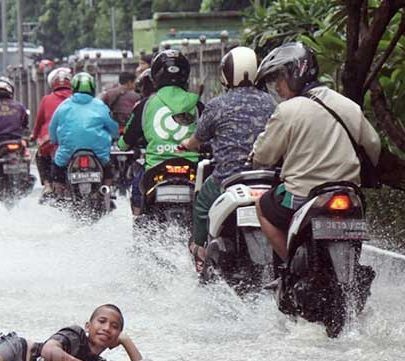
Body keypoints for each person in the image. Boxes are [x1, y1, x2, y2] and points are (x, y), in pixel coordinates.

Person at [252, 42, 381, 261]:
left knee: (262, 206)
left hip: (302, 195)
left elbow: (264, 156)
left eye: (279, 79)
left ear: (294, 74)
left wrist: (255, 157)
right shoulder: (348, 105)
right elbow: (373, 146)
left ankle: (290, 266)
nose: (278, 88)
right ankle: (353, 268)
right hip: (349, 194)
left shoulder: (287, 110)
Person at [178, 47, 277, 271]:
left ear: (225, 73)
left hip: (228, 178)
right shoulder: (270, 102)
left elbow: (196, 140)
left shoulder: (217, 105)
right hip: (267, 178)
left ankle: (200, 250)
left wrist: (186, 145)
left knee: (202, 203)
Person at [119, 49, 203, 215]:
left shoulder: (145, 105)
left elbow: (125, 142)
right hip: (192, 169)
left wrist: (124, 143)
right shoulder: (198, 105)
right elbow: (211, 134)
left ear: (155, 75)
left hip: (155, 168)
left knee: (138, 197)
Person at [0, 304, 142, 361]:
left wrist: (126, 341)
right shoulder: (75, 334)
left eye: (115, 327)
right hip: (13, 347)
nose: (107, 328)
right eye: (102, 321)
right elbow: (48, 350)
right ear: (88, 326)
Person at [48, 72, 118, 195]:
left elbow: (52, 128)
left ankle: (59, 192)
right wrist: (115, 136)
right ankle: (107, 192)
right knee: (108, 168)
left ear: (73, 88)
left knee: (57, 168)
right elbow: (113, 127)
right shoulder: (101, 106)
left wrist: (54, 141)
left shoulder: (64, 106)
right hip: (98, 151)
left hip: (69, 150)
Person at [31, 68, 73, 196]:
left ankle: (48, 184)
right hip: (75, 140)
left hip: (51, 141)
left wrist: (34, 135)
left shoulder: (46, 99)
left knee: (40, 155)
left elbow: (39, 122)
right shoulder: (77, 99)